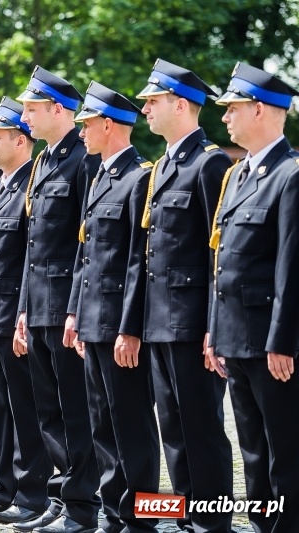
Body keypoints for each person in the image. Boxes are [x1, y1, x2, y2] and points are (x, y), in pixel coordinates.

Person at [135, 59, 234, 532]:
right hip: (159, 320)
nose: (146, 109)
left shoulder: (210, 161)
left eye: (153, 102)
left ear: (181, 104)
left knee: (201, 429)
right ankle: (189, 515)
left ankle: (213, 521)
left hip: (193, 322)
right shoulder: (163, 166)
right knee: (173, 428)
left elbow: (220, 253)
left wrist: (216, 324)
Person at [208, 62, 299, 533]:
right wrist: (214, 332)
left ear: (260, 110)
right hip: (236, 339)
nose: (225, 118)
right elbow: (220, 263)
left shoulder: (290, 174)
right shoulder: (239, 174)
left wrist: (283, 340)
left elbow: (291, 265)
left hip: (270, 345)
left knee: (286, 452)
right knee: (253, 452)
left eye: (233, 109)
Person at [11, 66, 101, 531]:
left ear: (58, 110)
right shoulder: (44, 162)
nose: (24, 115)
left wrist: (73, 310)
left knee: (74, 410)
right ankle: (60, 498)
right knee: (48, 411)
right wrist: (24, 308)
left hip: (65, 307)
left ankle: (83, 506)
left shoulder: (83, 160)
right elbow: (33, 246)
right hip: (39, 305)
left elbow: (85, 244)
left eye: (31, 108)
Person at [69, 82, 159, 533]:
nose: (81, 132)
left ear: (109, 125)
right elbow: (84, 256)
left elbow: (138, 262)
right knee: (102, 423)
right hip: (91, 320)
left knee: (133, 426)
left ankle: (142, 520)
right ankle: (114, 512)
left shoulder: (139, 177)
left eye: (87, 124)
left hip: (119, 325)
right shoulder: (99, 174)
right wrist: (74, 314)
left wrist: (129, 328)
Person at [0, 97, 55, 521]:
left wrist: (22, 312)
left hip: (12, 314)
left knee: (26, 410)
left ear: (21, 141)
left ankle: (32, 495)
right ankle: (2, 488)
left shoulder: (29, 185)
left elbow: (28, 258)